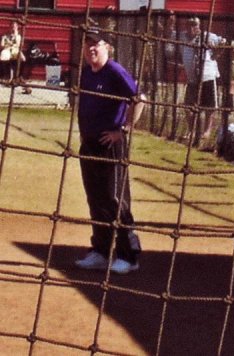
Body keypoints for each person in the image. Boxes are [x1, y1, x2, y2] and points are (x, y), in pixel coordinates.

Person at [75, 28, 145, 274]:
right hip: (90, 144)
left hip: (110, 145)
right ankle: (101, 252)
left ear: (107, 47)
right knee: (95, 199)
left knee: (115, 199)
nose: (91, 49)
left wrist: (123, 130)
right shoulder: (85, 73)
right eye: (87, 44)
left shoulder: (115, 71)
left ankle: (129, 255)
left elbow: (139, 98)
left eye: (96, 44)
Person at [179, 17, 226, 143]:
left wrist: (216, 54)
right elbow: (169, 34)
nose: (191, 27)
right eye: (189, 24)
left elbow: (223, 42)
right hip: (192, 78)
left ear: (199, 25)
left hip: (207, 76)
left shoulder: (207, 36)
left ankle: (207, 131)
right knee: (188, 106)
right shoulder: (183, 36)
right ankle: (192, 131)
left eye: (194, 25)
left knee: (209, 107)